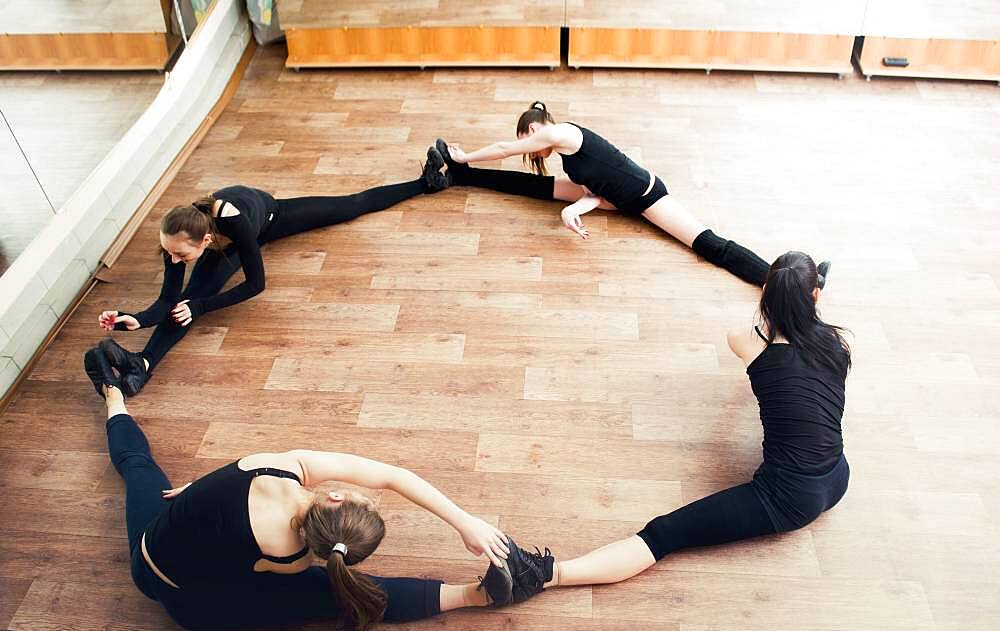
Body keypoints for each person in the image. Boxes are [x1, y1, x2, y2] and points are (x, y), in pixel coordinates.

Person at [81, 350, 552, 631]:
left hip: (156, 550)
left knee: (138, 468)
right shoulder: (293, 557)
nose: (364, 492)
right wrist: (464, 521)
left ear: (333, 500)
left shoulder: (276, 466)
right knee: (338, 595)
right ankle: (477, 597)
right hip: (191, 602)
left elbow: (390, 474)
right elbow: (392, 475)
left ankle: (113, 392)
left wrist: (200, 497)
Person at [502, 252, 850, 596]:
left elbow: (766, 342)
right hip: (837, 478)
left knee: (663, 534)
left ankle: (544, 575)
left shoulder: (746, 341)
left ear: (765, 294)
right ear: (815, 296)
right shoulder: (839, 343)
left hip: (788, 498)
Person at [96, 148, 451, 396]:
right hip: (235, 232)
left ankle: (425, 182)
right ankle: (142, 363)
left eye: (179, 254)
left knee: (349, 206)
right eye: (168, 251)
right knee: (182, 302)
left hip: (268, 219)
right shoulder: (178, 239)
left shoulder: (231, 225)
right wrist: (136, 319)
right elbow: (167, 300)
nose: (172, 258)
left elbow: (256, 284)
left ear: (205, 240)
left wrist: (201, 306)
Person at [437, 102, 830, 288]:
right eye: (527, 140)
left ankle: (789, 282)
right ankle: (464, 176)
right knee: (541, 190)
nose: (529, 145)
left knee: (710, 245)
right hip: (621, 200)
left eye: (530, 136)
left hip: (648, 196)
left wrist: (465, 150)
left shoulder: (564, 134)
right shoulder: (566, 156)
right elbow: (601, 195)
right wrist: (576, 208)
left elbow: (506, 148)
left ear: (543, 125)